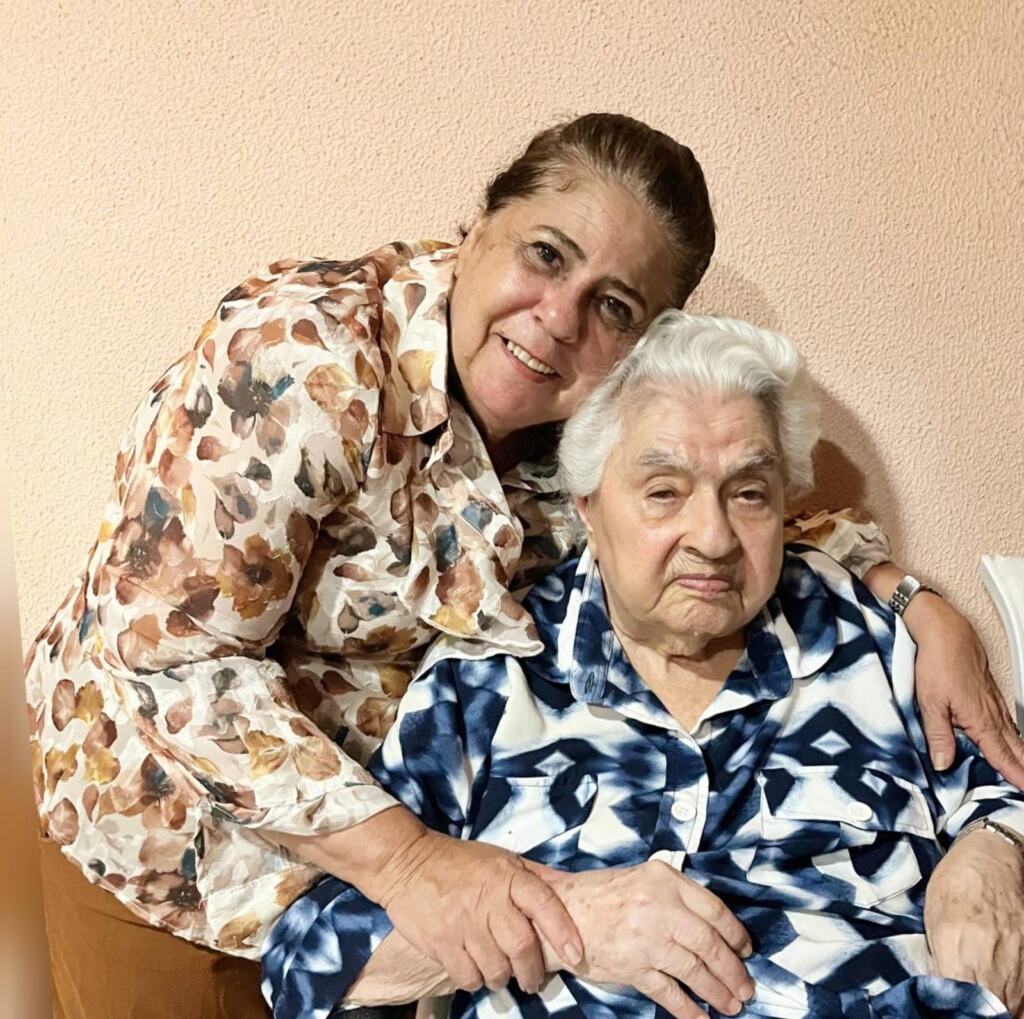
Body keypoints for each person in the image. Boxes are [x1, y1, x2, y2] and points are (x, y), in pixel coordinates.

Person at [24, 114, 1023, 1018]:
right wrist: (420, 867)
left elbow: (718, 513)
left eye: (614, 304)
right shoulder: (303, 357)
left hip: (406, 865)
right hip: (179, 837)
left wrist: (916, 604)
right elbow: (172, 658)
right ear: (479, 225)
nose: (558, 316)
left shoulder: (586, 427)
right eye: (545, 254)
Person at [264, 313, 1024, 1019]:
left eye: (749, 494)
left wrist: (995, 850)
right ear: (589, 507)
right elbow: (311, 954)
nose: (714, 537)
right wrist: (568, 924)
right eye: (664, 491)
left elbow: (1004, 789)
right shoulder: (492, 676)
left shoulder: (874, 640)